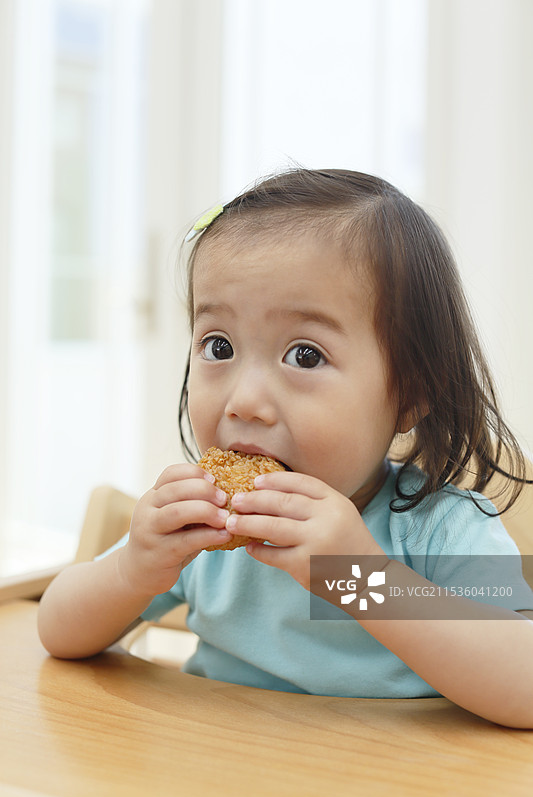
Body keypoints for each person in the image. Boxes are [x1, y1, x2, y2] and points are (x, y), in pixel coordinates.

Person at [38, 168, 533, 727]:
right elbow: (56, 630)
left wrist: (360, 579)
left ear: (409, 396)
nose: (245, 401)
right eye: (218, 345)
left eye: (305, 355)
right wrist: (132, 571)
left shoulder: (442, 529)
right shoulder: (201, 531)